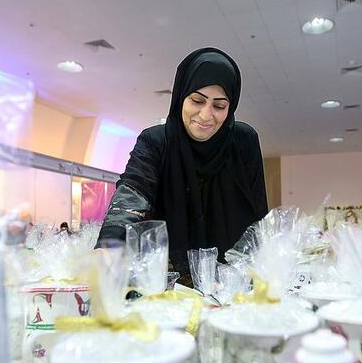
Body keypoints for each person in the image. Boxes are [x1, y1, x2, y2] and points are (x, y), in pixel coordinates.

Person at [96, 47, 268, 279]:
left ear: (231, 106)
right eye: (197, 100)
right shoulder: (156, 141)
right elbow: (133, 192)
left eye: (219, 106)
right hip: (169, 280)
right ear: (180, 98)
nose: (206, 115)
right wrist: (110, 245)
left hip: (233, 278)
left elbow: (257, 211)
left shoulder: (243, 141)